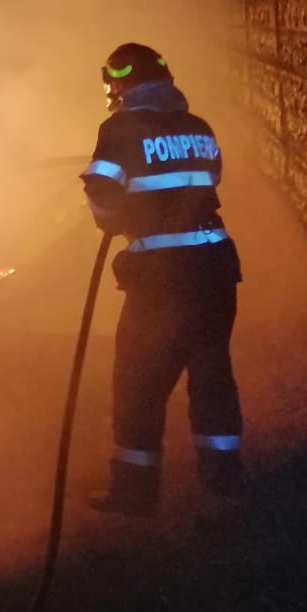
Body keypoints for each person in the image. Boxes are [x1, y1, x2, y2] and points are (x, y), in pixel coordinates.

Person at [79, 42, 244, 516]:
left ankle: (135, 491)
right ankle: (224, 480)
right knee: (212, 375)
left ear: (119, 83)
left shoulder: (120, 128)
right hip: (215, 269)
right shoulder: (198, 126)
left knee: (138, 383)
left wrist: (116, 217)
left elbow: (101, 192)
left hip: (161, 279)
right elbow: (209, 178)